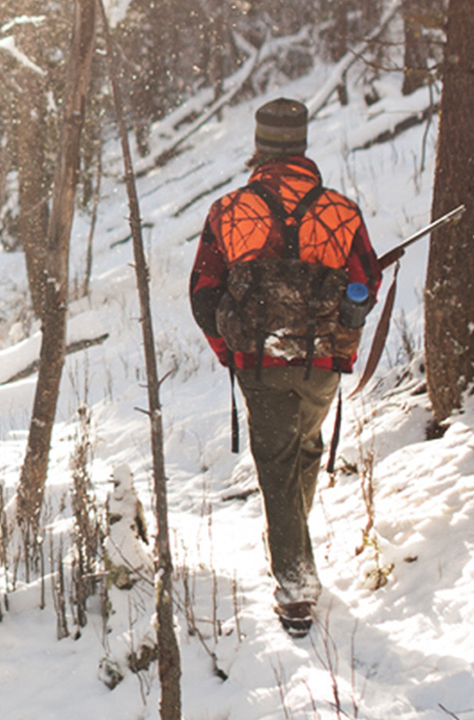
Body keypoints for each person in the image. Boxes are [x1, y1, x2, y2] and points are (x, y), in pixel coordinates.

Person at [189, 98, 382, 638]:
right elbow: (365, 282)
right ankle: (294, 550)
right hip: (322, 361)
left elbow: (203, 293)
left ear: (260, 146)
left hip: (261, 360)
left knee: (277, 464)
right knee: (305, 449)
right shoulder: (341, 210)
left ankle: (296, 591)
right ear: (301, 145)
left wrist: (230, 350)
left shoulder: (229, 210)